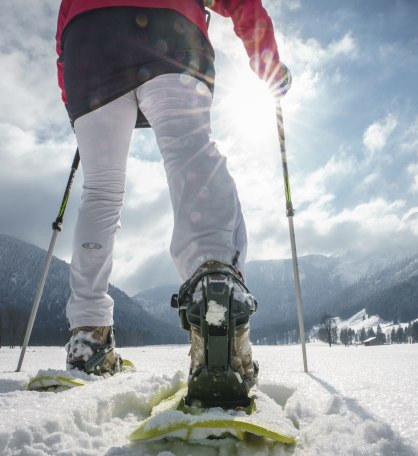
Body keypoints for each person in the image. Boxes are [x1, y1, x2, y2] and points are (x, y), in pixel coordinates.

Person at [56, 0, 291, 406]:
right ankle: (216, 293)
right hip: (170, 31)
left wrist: (74, 98)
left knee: (101, 189)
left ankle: (88, 335)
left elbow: (64, 26)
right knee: (191, 156)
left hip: (88, 44)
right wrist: (265, 57)